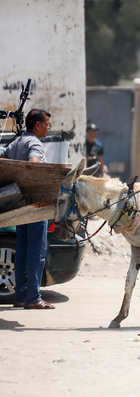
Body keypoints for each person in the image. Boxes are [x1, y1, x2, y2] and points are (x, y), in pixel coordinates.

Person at [0, 109, 55, 309]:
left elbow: (2, 157)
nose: (49, 128)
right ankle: (33, 298)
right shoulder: (34, 143)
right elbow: (33, 165)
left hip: (19, 205)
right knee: (36, 252)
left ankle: (21, 296)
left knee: (22, 250)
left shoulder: (16, 142)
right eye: (47, 124)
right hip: (35, 205)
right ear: (37, 125)